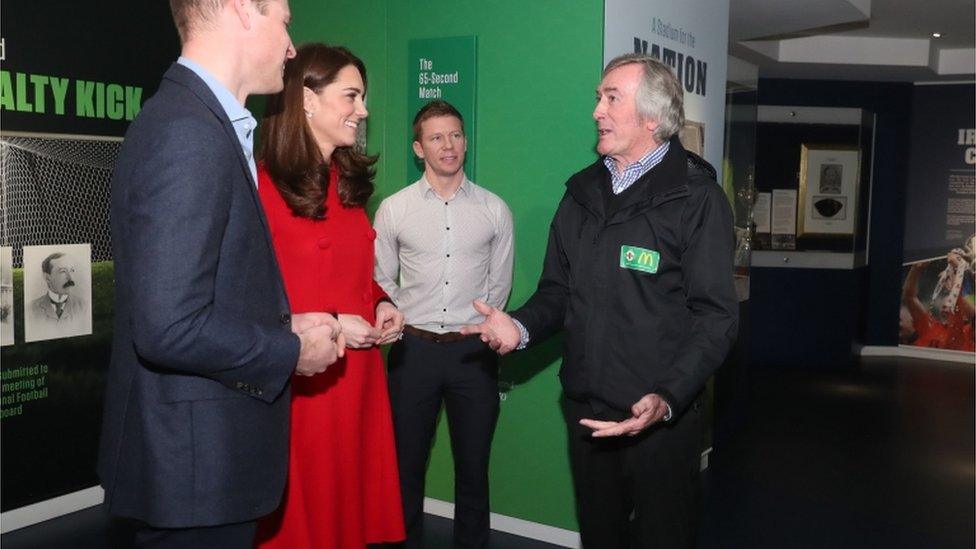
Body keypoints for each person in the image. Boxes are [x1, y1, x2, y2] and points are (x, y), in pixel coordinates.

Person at [462, 54, 738, 548]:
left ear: (652, 117)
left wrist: (668, 398)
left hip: (659, 420)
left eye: (612, 98)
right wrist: (519, 328)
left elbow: (715, 319)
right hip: (588, 412)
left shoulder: (697, 199)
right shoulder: (581, 193)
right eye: (598, 97)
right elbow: (557, 293)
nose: (597, 111)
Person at [98, 2, 345, 547]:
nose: (288, 45)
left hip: (200, 466)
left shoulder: (197, 121)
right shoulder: (188, 132)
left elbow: (202, 294)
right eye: (283, 20)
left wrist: (285, 324)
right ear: (241, 11)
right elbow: (168, 326)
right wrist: (290, 351)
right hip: (193, 470)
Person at [254, 43, 407, 548]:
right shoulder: (261, 186)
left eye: (362, 97)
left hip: (358, 380)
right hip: (305, 384)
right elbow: (247, 298)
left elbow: (352, 274)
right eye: (352, 95)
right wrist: (335, 322)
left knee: (347, 521)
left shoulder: (346, 182)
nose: (362, 110)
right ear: (307, 100)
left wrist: (382, 301)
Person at [373, 100, 514, 548]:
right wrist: (395, 314)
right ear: (419, 148)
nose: (448, 145)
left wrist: (482, 326)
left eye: (455, 135)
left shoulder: (495, 210)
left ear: (465, 141)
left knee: (474, 468)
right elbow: (378, 277)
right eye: (436, 137)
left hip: (473, 354)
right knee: (404, 467)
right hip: (412, 354)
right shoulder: (394, 210)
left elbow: (500, 285)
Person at [28, 252, 88, 326]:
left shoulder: (84, 307)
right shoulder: (30, 309)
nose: (70, 278)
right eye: (63, 271)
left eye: (72, 270)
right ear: (47, 277)